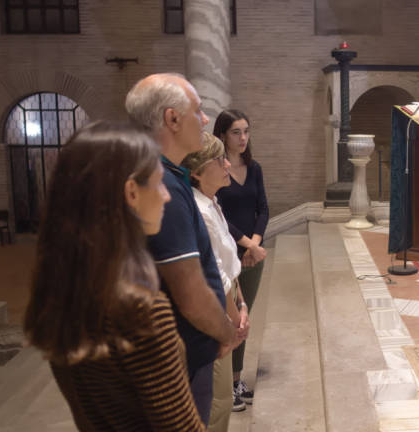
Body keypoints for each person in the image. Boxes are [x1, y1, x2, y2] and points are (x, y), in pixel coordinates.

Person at [23, 121, 205, 431]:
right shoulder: (141, 311)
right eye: (160, 183)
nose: (166, 196)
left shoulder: (60, 293)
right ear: (132, 192)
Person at [125, 73, 244, 424]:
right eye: (199, 110)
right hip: (179, 358)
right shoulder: (161, 186)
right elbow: (189, 290)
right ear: (172, 119)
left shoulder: (167, 176)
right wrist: (225, 333)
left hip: (182, 349)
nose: (205, 120)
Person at [182, 132, 251, 429]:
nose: (227, 164)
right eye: (218, 160)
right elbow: (214, 273)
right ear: (197, 172)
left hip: (230, 298)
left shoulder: (212, 202)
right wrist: (235, 320)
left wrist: (242, 301)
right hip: (215, 309)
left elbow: (228, 264)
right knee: (217, 401)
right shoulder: (200, 211)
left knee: (221, 399)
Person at [213, 109, 269, 408]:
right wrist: (248, 244)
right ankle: (225, 386)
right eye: (236, 132)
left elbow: (263, 209)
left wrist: (256, 245)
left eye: (246, 131)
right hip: (227, 253)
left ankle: (236, 380)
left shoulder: (254, 168)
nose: (243, 137)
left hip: (252, 254)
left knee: (245, 318)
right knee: (230, 318)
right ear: (222, 135)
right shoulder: (216, 169)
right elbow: (218, 215)